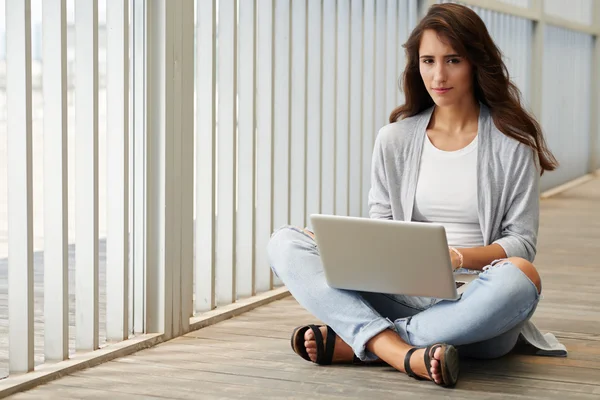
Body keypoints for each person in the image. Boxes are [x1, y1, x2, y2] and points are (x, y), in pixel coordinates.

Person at [267, 3, 564, 388]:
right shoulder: (395, 139)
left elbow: (521, 243)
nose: (438, 75)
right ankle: (402, 352)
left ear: (475, 62)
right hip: (402, 289)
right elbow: (383, 226)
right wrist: (339, 248)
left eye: (452, 60)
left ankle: (364, 341)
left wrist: (457, 256)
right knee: (285, 242)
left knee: (520, 279)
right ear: (416, 65)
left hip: (477, 301)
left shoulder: (512, 145)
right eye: (428, 60)